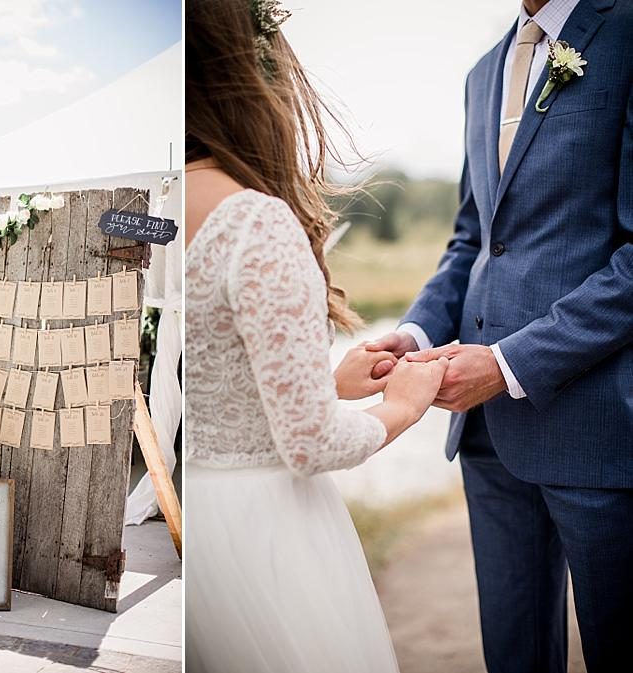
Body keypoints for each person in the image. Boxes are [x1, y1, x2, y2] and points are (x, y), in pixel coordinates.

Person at [368, 0, 633, 670]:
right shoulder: (484, 72)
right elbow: (475, 239)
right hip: (487, 435)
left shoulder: (628, 30)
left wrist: (511, 362)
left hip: (600, 433)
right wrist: (414, 329)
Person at [185, 1, 449, 670]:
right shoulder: (252, 221)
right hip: (267, 537)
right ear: (253, 73)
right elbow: (308, 444)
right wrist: (402, 406)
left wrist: (324, 381)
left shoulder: (147, 212)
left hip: (196, 523)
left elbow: (209, 389)